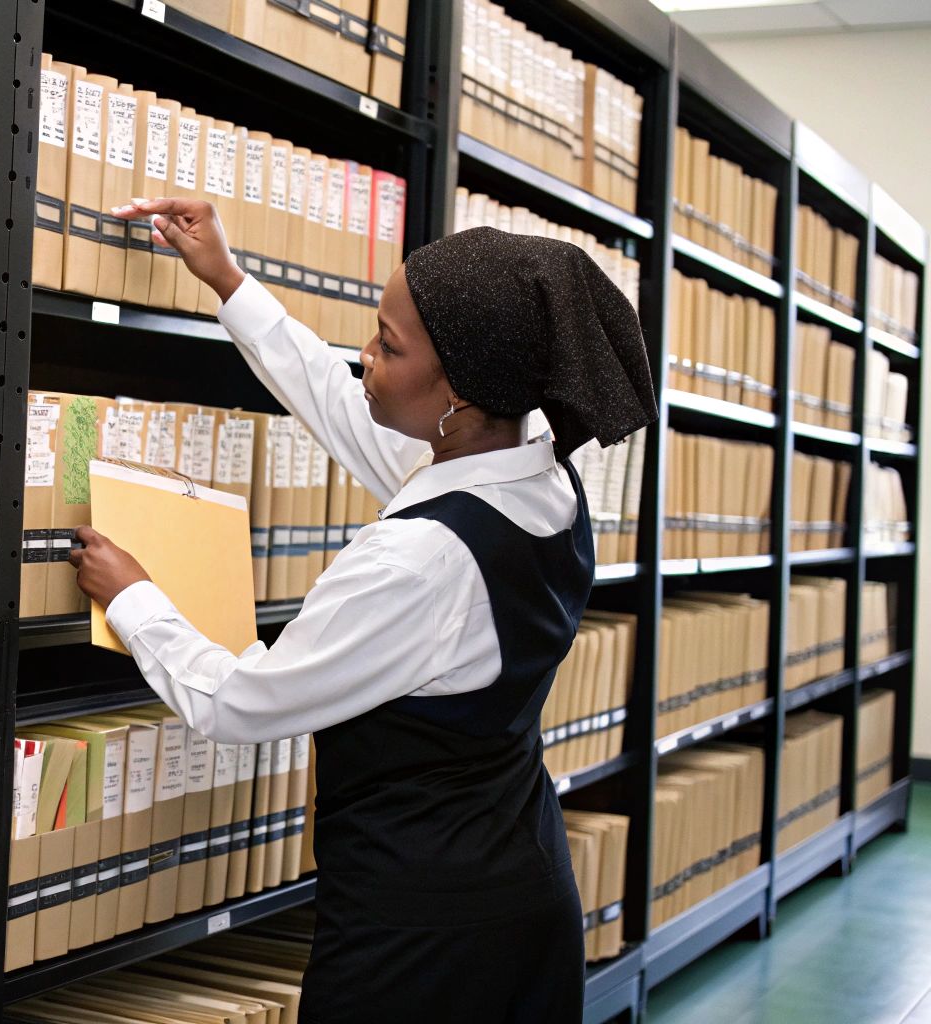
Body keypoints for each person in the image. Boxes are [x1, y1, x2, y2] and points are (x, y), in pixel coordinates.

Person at [67, 197, 657, 1023]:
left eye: (389, 344)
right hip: (521, 889)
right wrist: (229, 282)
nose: (365, 354)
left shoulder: (418, 562)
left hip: (424, 939)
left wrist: (134, 598)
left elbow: (241, 702)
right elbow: (345, 409)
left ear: (458, 390)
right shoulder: (533, 474)